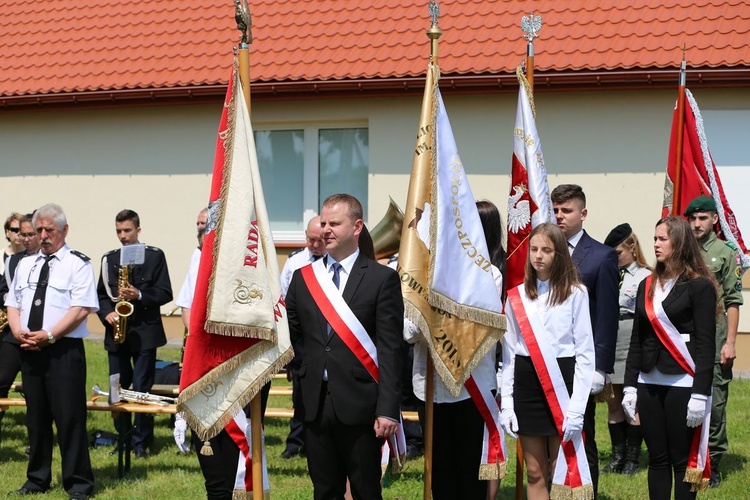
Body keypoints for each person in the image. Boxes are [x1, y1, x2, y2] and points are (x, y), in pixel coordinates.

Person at [285, 193, 404, 499]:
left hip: (361, 404)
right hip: (314, 402)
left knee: (365, 490)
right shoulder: (302, 279)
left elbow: (391, 349)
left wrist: (388, 410)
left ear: (357, 227)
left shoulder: (382, 279)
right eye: (323, 222)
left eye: (334, 223)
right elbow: (295, 338)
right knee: (324, 491)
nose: (326, 229)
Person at [406, 200, 505, 499]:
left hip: (471, 386)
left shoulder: (489, 274)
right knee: (440, 473)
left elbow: (481, 329)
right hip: (431, 387)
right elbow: (408, 331)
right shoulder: (423, 274)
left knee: (469, 471)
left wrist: (438, 319)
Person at [4, 203, 97, 499]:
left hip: (63, 351)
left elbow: (81, 308)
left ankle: (78, 483)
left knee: (70, 418)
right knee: (36, 417)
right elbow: (13, 301)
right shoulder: (25, 263)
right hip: (29, 347)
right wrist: (18, 331)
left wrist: (50, 335)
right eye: (39, 230)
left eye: (49, 230)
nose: (43, 236)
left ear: (64, 230)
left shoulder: (77, 263)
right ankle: (37, 478)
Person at [623, 216, 716, 499]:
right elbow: (637, 338)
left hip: (683, 382)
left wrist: (700, 393)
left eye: (663, 239)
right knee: (657, 459)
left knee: (679, 461)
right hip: (648, 381)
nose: (656, 244)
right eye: (654, 238)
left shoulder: (698, 286)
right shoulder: (647, 284)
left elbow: (705, 344)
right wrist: (629, 385)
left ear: (679, 242)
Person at [501, 223, 595, 499]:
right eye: (534, 249)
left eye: (546, 250)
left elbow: (586, 354)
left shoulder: (576, 293)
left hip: (562, 382)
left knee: (560, 468)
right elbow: (508, 355)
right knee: (534, 471)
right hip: (527, 383)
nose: (538, 256)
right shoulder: (516, 296)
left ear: (559, 254)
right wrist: (507, 403)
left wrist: (577, 409)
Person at [551, 183, 619, 494]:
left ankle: (585, 492)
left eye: (567, 210)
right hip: (547, 357)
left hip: (581, 361)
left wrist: (600, 368)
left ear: (583, 213)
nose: (560, 216)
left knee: (582, 433)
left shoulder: (602, 256)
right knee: (550, 433)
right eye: (556, 210)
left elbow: (606, 316)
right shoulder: (543, 251)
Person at [97, 209, 173, 458]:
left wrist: (138, 295)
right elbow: (100, 294)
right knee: (117, 386)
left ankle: (141, 441)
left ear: (138, 230)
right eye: (118, 231)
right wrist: (107, 313)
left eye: (127, 231)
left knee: (142, 388)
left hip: (145, 333)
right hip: (117, 332)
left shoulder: (154, 256)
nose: (122, 236)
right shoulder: (109, 258)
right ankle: (123, 437)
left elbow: (165, 292)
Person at [683, 195, 743, 488]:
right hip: (684, 342)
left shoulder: (725, 252)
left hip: (717, 338)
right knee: (683, 398)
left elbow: (733, 301)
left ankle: (713, 463)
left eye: (702, 218)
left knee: (715, 404)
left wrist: (730, 343)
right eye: (692, 219)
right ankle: (685, 456)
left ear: (714, 220)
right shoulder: (680, 250)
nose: (696, 224)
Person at [600, 223, 651, 475]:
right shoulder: (609, 273)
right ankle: (617, 457)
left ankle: (632, 459)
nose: (614, 258)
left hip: (632, 337)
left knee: (632, 400)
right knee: (612, 400)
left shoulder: (644, 276)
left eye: (617, 252)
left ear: (631, 247)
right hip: (610, 338)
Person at [279, 216, 326, 459]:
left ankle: (317, 440)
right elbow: (284, 299)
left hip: (329, 337)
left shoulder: (335, 260)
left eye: (320, 240)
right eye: (311, 240)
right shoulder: (295, 261)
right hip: (302, 339)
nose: (315, 245)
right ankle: (296, 441)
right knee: (300, 391)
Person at [0, 214, 41, 444]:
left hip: (39, 334)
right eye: (21, 234)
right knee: (2, 377)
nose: (24, 239)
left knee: (34, 389)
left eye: (29, 234)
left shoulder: (49, 260)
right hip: (15, 332)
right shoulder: (13, 261)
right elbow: (6, 289)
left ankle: (35, 439)